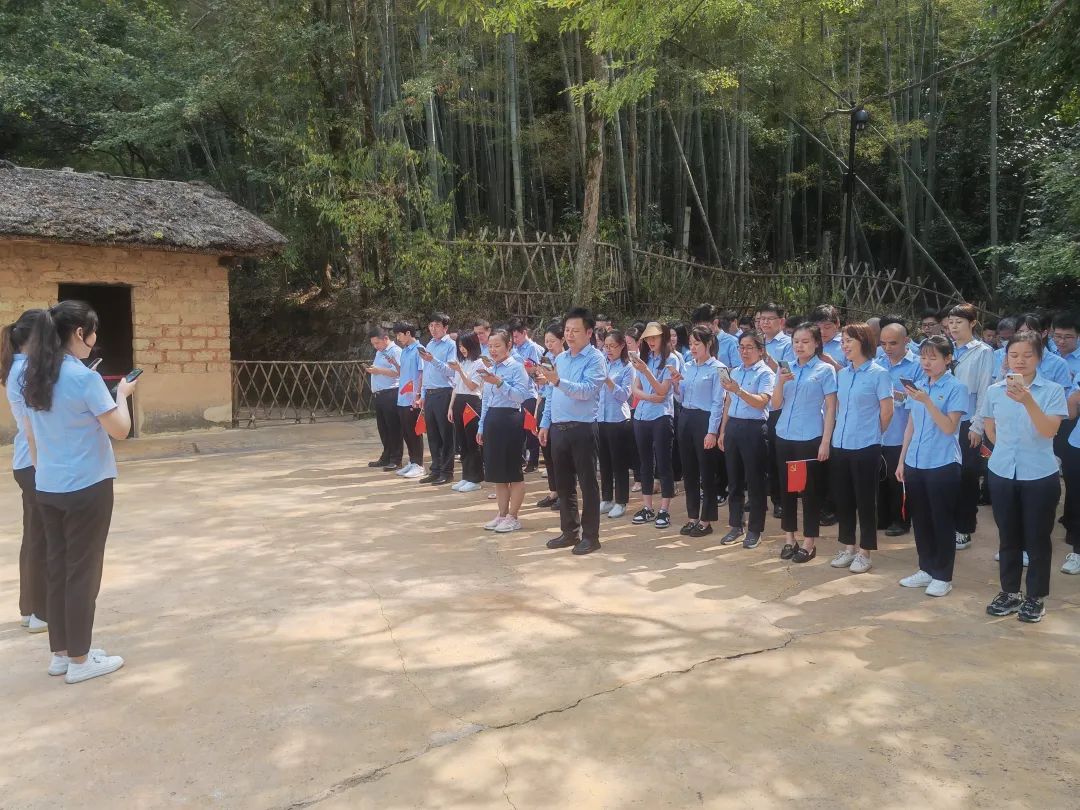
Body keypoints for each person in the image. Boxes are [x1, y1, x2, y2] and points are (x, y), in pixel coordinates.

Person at [18, 301, 138, 683]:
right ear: (79, 333)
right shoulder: (85, 379)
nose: (95, 339)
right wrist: (122, 395)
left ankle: (61, 654)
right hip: (88, 486)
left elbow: (32, 437)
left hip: (48, 485)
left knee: (57, 570)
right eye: (92, 331)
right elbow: (120, 429)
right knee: (83, 573)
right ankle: (81, 660)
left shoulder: (34, 376)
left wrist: (45, 475)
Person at [980, 333, 1068, 623]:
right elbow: (990, 429)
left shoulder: (1053, 390)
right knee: (1008, 537)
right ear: (1006, 357)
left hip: (1039, 475)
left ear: (1039, 358)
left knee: (1037, 538)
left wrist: (1028, 400)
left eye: (1028, 355)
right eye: (1014, 355)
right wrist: (1005, 450)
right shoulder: (994, 391)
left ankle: (1035, 597)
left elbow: (1049, 431)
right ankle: (1010, 592)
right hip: (1002, 472)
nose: (1020, 360)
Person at [894, 336, 969, 597]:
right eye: (923, 357)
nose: (926, 362)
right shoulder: (919, 386)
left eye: (933, 357)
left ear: (948, 359)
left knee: (942, 521)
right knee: (921, 519)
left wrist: (928, 402)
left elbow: (949, 427)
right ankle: (925, 568)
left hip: (942, 463)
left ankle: (942, 576)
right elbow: (911, 425)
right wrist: (902, 459)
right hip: (915, 461)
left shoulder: (956, 387)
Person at [538, 308, 607, 556]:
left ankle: (591, 536)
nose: (569, 335)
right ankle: (569, 532)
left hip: (583, 428)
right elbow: (550, 393)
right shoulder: (561, 359)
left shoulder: (596, 359)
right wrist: (545, 423)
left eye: (575, 330)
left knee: (588, 484)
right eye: (567, 330)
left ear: (589, 333)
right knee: (564, 484)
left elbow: (587, 391)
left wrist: (557, 381)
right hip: (559, 428)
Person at [829, 322, 894, 574]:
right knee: (844, 499)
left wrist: (872, 434)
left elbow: (887, 411)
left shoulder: (879, 374)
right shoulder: (843, 374)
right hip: (841, 444)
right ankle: (848, 547)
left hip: (866, 446)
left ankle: (865, 552)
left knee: (866, 501)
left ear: (863, 342)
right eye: (843, 341)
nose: (844, 346)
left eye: (849, 341)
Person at [771, 323, 837, 563]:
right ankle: (790, 538)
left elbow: (831, 408)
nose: (799, 346)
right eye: (796, 341)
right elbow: (775, 405)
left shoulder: (824, 370)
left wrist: (825, 441)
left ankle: (809, 542)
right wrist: (781, 381)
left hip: (809, 438)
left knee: (809, 492)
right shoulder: (785, 368)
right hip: (785, 436)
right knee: (788, 489)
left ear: (817, 343)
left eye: (805, 341)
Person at [2, 309, 49, 633]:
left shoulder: (18, 367)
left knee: (34, 536)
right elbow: (35, 426)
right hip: (35, 462)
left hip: (27, 462)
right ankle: (39, 613)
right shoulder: (27, 371)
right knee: (42, 538)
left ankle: (29, 608)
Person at [718, 331, 775, 549]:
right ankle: (736, 525)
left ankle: (755, 530)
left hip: (754, 428)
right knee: (734, 480)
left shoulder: (766, 373)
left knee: (755, 481)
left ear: (760, 350)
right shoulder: (735, 371)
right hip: (734, 426)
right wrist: (723, 430)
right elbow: (728, 402)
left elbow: (761, 402)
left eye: (750, 347)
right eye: (741, 347)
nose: (744, 351)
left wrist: (739, 390)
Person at [945, 303, 993, 550]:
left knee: (967, 474)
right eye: (951, 322)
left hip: (967, 420)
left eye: (959, 322)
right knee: (945, 473)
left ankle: (964, 527)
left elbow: (985, 390)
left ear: (973, 323)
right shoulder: (945, 348)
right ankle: (946, 523)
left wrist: (978, 425)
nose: (953, 327)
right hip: (943, 419)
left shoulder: (982, 351)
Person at [476, 330, 532, 532]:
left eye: (497, 346)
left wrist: (499, 383)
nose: (493, 350)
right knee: (498, 472)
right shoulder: (490, 368)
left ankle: (513, 517)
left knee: (512, 472)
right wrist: (481, 426)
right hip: (493, 419)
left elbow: (521, 396)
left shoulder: (517, 368)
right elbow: (486, 400)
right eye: (490, 346)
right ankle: (501, 514)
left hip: (510, 420)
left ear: (509, 346)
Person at [674, 327, 727, 537]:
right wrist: (676, 385)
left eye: (697, 344)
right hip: (686, 417)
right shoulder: (687, 366)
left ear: (708, 344)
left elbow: (718, 402)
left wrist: (712, 431)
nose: (693, 348)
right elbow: (680, 397)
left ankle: (706, 519)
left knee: (707, 472)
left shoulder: (719, 368)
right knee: (689, 471)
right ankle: (692, 516)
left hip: (705, 420)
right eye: (691, 344)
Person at [629, 321, 679, 529]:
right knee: (645, 463)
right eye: (648, 338)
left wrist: (646, 372)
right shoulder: (644, 358)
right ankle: (647, 506)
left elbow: (663, 391)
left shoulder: (671, 360)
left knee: (664, 463)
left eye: (654, 338)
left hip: (661, 416)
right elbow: (635, 389)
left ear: (663, 338)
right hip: (642, 415)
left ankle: (664, 509)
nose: (650, 342)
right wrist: (649, 397)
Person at [876, 322, 922, 536]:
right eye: (883, 343)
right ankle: (882, 517)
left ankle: (901, 520)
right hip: (879, 431)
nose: (887, 348)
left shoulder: (918, 365)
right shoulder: (878, 363)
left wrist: (895, 395)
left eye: (893, 343)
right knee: (880, 477)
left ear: (906, 341)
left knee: (899, 480)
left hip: (903, 431)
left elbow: (920, 398)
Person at [755, 303, 795, 519]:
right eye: (762, 318)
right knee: (761, 456)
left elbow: (787, 373)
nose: (765, 322)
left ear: (781, 320)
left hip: (779, 407)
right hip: (757, 407)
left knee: (779, 456)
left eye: (769, 318)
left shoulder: (789, 344)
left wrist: (768, 360)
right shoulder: (754, 341)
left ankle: (781, 501)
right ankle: (759, 498)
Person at [417, 313, 457, 486]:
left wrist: (433, 360)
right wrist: (422, 395)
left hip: (444, 392)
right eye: (431, 325)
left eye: (437, 325)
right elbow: (426, 372)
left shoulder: (451, 345)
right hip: (430, 394)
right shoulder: (430, 344)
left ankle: (447, 472)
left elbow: (451, 371)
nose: (433, 329)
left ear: (445, 328)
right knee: (432, 434)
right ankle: (435, 469)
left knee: (445, 434)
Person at [597, 329, 633, 520]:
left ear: (622, 346)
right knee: (604, 462)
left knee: (619, 463)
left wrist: (608, 381)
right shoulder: (601, 363)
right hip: (600, 418)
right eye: (606, 346)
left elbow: (624, 395)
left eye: (613, 346)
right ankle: (606, 498)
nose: (609, 350)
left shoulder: (627, 367)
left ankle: (621, 501)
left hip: (618, 419)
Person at [534, 322, 565, 510]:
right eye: (546, 341)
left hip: (559, 408)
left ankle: (564, 493)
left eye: (552, 341)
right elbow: (544, 389)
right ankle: (553, 491)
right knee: (547, 451)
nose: (549, 345)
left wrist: (548, 380)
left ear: (562, 340)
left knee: (559, 454)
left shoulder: (564, 360)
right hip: (545, 403)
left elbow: (560, 385)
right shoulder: (546, 359)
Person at [448, 332, 484, 493]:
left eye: (464, 346)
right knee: (462, 442)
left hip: (472, 403)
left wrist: (460, 370)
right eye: (460, 346)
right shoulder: (461, 362)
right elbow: (456, 387)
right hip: (459, 402)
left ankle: (475, 479)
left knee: (472, 442)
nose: (462, 349)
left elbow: (471, 386)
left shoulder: (479, 363)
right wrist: (451, 407)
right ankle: (466, 476)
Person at [364, 326, 403, 471]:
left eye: (377, 343)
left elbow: (399, 372)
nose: (375, 346)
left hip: (391, 392)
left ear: (385, 338)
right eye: (373, 344)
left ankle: (396, 459)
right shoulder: (380, 352)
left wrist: (378, 370)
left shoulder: (395, 351)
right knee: (383, 428)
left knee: (393, 428)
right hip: (380, 394)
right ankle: (386, 456)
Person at [509, 319, 544, 473]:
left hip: (531, 393)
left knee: (531, 429)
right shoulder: (514, 348)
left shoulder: (533, 348)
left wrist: (519, 361)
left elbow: (536, 370)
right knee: (519, 429)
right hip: (518, 393)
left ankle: (533, 461)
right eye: (512, 337)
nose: (514, 340)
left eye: (517, 336)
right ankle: (521, 458)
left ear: (524, 333)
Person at [392, 322, 426, 479]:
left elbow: (422, 373)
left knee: (414, 431)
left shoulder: (419, 350)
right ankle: (412, 461)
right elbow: (403, 373)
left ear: (408, 333)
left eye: (399, 334)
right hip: (402, 397)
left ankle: (419, 464)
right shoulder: (405, 351)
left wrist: (418, 395)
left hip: (413, 398)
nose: (398, 338)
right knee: (406, 431)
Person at [1062, 382, 1080, 575]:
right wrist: (1073, 399)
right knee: (1076, 500)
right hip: (1077, 444)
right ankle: (1078, 552)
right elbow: (1071, 414)